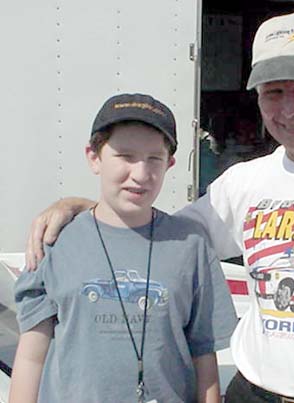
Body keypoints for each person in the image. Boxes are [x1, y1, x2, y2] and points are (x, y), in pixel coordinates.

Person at [26, 13, 294, 403]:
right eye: (274, 92)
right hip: (252, 394)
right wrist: (81, 205)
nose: (289, 109)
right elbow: (155, 231)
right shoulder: (244, 182)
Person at [10, 93, 237, 403]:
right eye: (126, 156)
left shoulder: (190, 244)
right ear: (94, 157)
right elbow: (31, 356)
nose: (141, 174)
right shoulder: (55, 240)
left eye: (154, 158)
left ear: (170, 164)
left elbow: (203, 355)